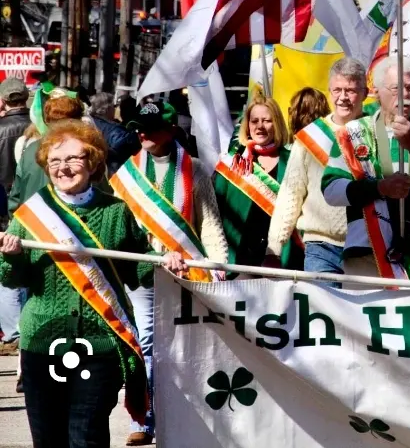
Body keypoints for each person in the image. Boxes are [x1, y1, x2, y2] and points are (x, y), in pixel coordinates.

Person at [0, 120, 187, 448]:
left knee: (87, 436)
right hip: (42, 343)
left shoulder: (115, 211)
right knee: (48, 440)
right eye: (55, 161)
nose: (63, 168)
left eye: (73, 158)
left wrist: (164, 262)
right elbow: (13, 279)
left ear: (93, 161)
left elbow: (136, 271)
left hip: (100, 345)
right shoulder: (31, 214)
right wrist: (11, 256)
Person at [109, 99, 227, 446]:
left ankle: (186, 418)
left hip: (186, 272)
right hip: (142, 274)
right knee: (145, 343)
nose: (143, 134)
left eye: (151, 128)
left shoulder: (195, 170)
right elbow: (117, 226)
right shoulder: (125, 176)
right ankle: (143, 419)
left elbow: (209, 224)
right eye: (139, 129)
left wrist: (218, 267)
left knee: (184, 346)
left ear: (172, 129)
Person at [322, 61, 410, 281]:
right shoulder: (353, 133)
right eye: (396, 88)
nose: (405, 95)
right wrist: (379, 188)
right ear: (377, 92)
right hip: (365, 254)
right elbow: (331, 191)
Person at [267, 59, 363, 280]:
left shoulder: (378, 133)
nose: (343, 97)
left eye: (350, 90)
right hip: (320, 248)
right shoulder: (310, 138)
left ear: (364, 93)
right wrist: (274, 248)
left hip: (367, 249)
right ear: (329, 91)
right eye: (337, 90)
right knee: (321, 304)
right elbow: (291, 193)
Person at [214, 96, 304, 271]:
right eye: (254, 121)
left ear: (277, 124)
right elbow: (216, 211)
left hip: (282, 258)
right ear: (247, 125)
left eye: (267, 121)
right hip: (239, 259)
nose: (260, 126)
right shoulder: (233, 162)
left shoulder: (293, 160)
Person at [8, 94, 87, 214]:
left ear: (47, 121)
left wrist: (17, 221)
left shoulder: (31, 149)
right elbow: (101, 194)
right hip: (70, 222)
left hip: (31, 219)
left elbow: (15, 198)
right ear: (78, 120)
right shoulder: (86, 150)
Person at [0, 77, 30, 376]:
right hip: (33, 208)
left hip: (5, 206)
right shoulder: (38, 130)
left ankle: (14, 333)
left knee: (7, 269)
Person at [89, 92, 140, 175]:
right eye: (113, 106)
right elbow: (131, 147)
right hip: (114, 173)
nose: (115, 109)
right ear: (107, 109)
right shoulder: (114, 130)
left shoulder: (91, 121)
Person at [0, 78, 31, 190]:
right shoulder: (40, 124)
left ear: (3, 101)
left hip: (4, 193)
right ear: (27, 97)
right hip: (32, 192)